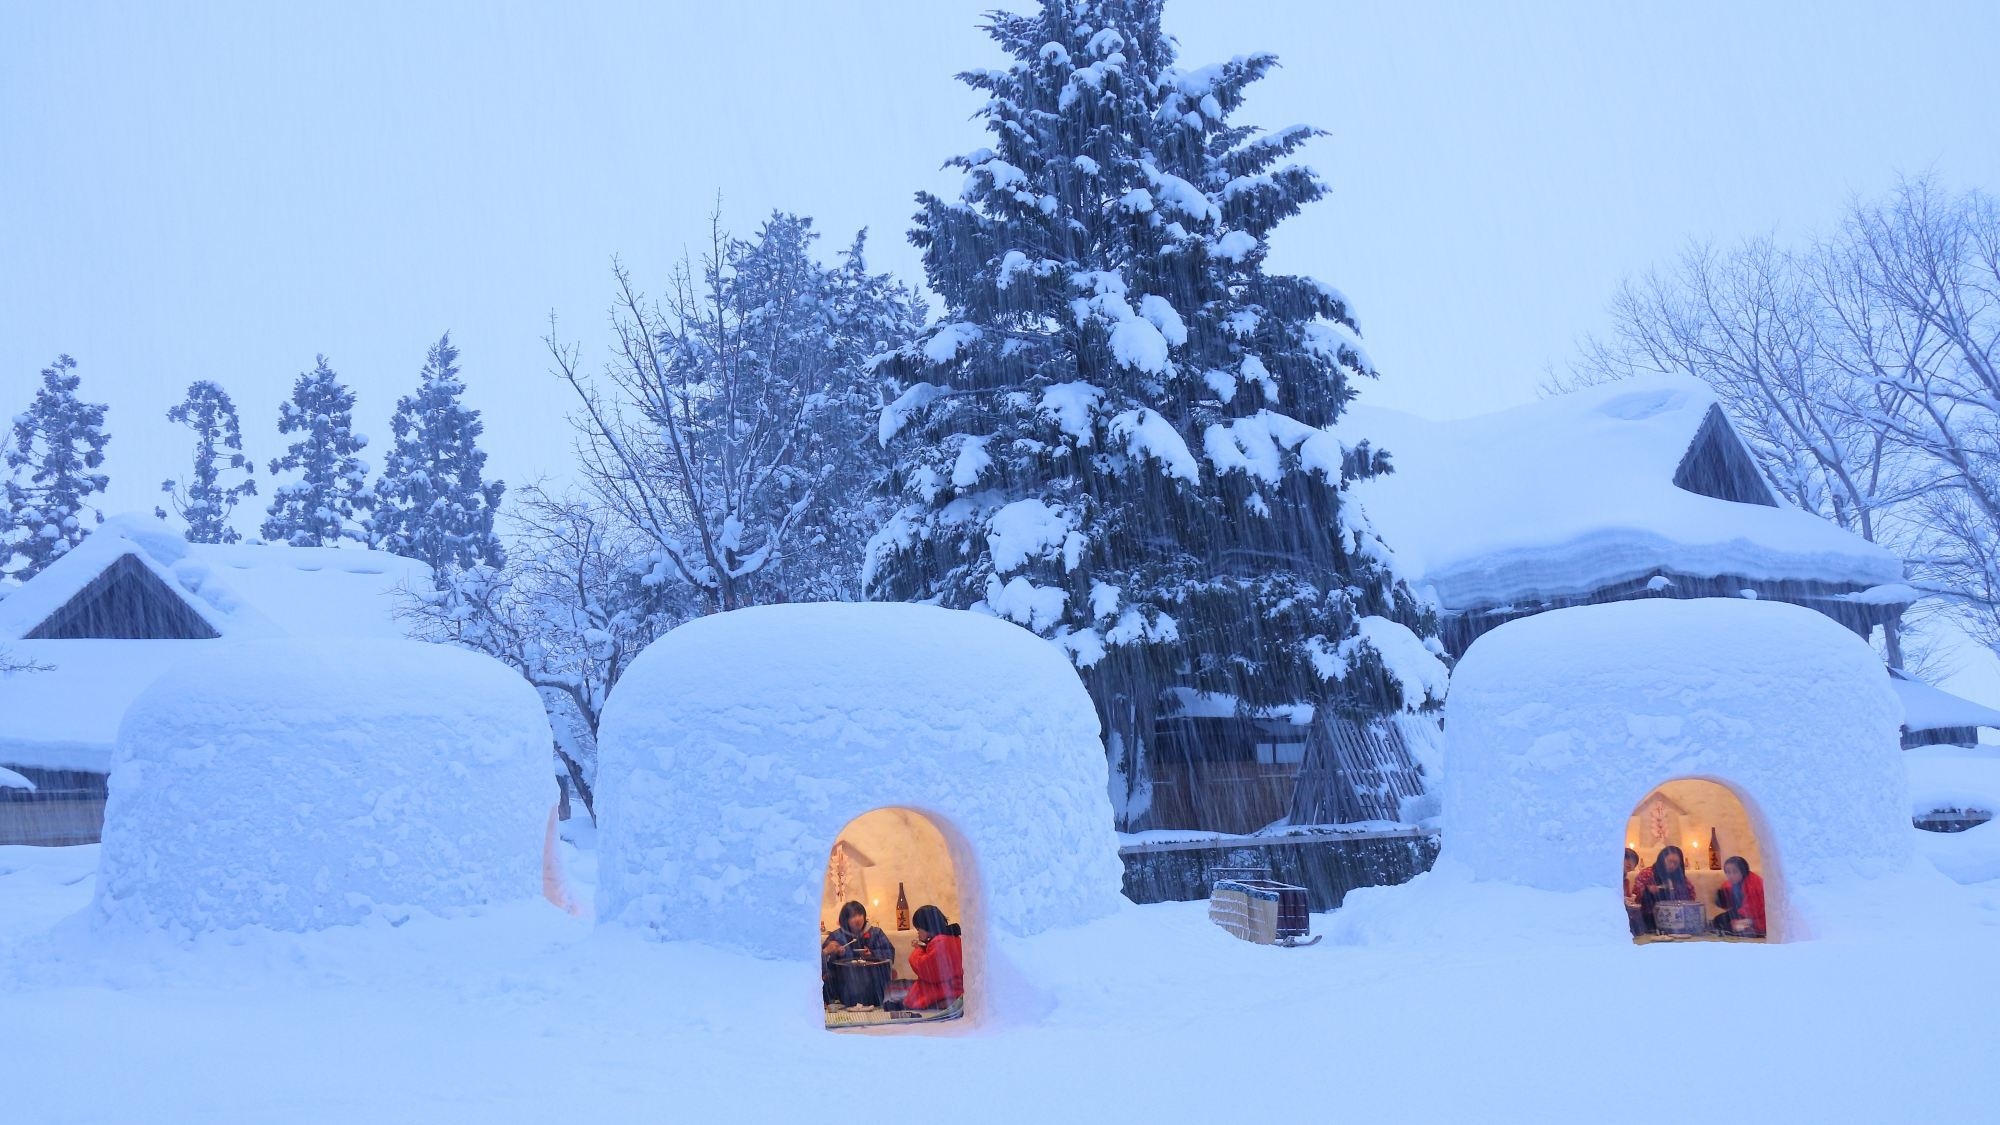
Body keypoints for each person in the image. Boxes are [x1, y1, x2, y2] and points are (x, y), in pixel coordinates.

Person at [887, 904, 964, 1013]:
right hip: (954, 986)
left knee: (923, 988)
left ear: (927, 926)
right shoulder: (951, 937)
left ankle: (910, 1004)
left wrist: (918, 949)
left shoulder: (940, 942)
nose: (917, 932)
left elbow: (926, 969)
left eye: (918, 928)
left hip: (948, 989)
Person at [822, 901, 894, 1007]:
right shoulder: (837, 936)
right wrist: (834, 953)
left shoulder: (875, 933)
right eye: (852, 916)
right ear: (845, 920)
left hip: (873, 985)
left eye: (860, 914)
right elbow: (820, 962)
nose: (858, 919)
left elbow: (889, 953)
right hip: (844, 986)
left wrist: (873, 954)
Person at [1632, 845, 1695, 934]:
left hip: (1676, 919)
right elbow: (1635, 896)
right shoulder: (1647, 873)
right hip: (1649, 918)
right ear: (1662, 860)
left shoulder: (1680, 877)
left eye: (1676, 863)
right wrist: (1647, 890)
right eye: (1669, 861)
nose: (1672, 865)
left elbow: (1691, 895)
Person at [1710, 856, 1767, 938]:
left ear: (1743, 871)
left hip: (1758, 918)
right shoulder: (1733, 882)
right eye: (1728, 872)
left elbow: (1754, 909)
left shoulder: (1753, 884)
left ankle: (1747, 930)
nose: (1731, 875)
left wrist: (1735, 915)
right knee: (1718, 921)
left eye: (1735, 872)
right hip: (1743, 914)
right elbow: (1727, 902)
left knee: (1726, 925)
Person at [1623, 848, 1645, 937]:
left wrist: (1631, 898)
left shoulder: (1626, 880)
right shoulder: (1613, 878)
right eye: (1627, 859)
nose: (1630, 863)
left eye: (1634, 862)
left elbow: (1627, 895)